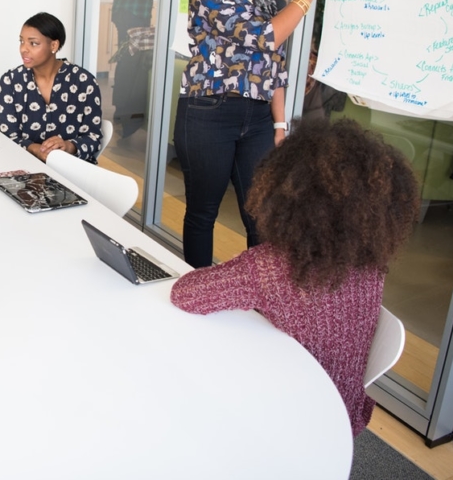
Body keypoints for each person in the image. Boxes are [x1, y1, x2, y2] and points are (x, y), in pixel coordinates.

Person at [170, 118, 420, 437]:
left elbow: (185, 294)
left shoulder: (270, 266)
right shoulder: (370, 264)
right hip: (343, 416)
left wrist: (241, 267)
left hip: (284, 421)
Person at [174, 0, 336, 268]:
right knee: (203, 212)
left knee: (262, 216)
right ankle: (197, 290)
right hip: (208, 113)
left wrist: (279, 124)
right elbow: (266, 37)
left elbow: (273, 61)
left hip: (259, 116)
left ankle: (260, 297)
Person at [0, 12, 103, 163]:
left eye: (33, 43)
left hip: (71, 171)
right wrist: (36, 150)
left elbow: (93, 138)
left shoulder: (84, 82)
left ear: (54, 45)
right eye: (21, 41)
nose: (23, 49)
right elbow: (7, 136)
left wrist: (68, 146)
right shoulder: (10, 82)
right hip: (24, 167)